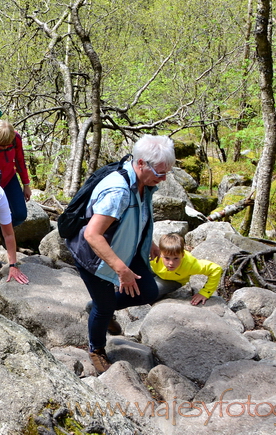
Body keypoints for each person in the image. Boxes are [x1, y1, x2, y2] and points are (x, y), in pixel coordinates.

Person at [67, 134, 174, 373]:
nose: (164, 178)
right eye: (160, 172)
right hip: (95, 255)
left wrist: (151, 243)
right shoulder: (118, 191)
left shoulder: (143, 183)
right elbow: (92, 235)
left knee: (147, 291)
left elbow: (137, 217)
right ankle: (96, 348)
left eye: (167, 172)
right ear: (140, 163)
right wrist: (121, 270)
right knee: (104, 306)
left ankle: (97, 308)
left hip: (124, 247)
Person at [150, 233, 223, 306]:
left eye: (176, 258)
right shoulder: (154, 255)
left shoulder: (190, 265)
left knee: (150, 291)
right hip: (153, 270)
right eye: (167, 258)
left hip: (174, 280)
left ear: (182, 255)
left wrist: (205, 292)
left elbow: (216, 269)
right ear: (160, 253)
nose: (171, 263)